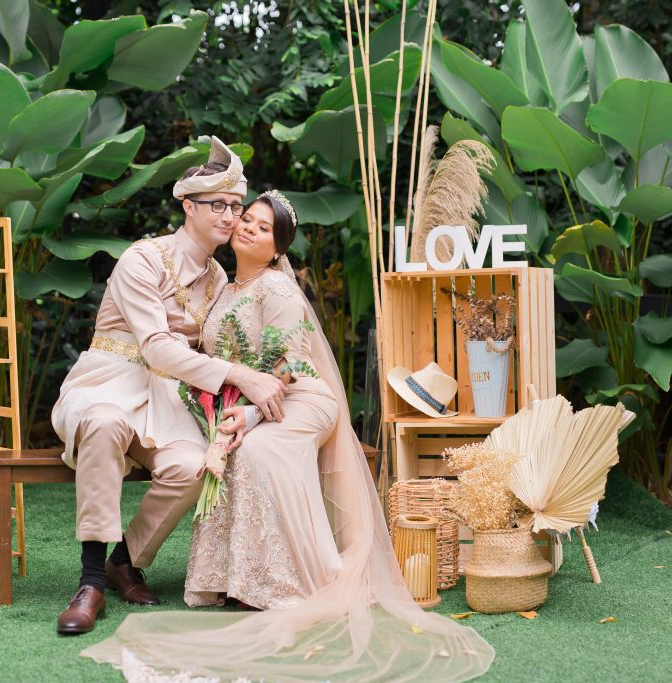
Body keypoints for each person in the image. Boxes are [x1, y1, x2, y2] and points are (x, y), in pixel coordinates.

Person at [81, 191, 495, 681]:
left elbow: (291, 365)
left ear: (278, 249)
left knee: (255, 451)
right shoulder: (222, 287)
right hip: (250, 403)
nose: (248, 228)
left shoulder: (276, 288)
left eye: (264, 228)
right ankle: (236, 578)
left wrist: (252, 415)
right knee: (228, 452)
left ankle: (287, 581)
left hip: (298, 399)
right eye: (247, 219)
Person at [50, 138, 287, 636]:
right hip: (108, 382)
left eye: (235, 206)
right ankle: (91, 581)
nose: (230, 216)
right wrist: (241, 375)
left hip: (166, 398)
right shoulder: (143, 258)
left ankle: (124, 561)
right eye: (217, 205)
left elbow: (217, 347)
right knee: (104, 422)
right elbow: (157, 348)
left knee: (195, 466)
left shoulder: (219, 275)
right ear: (188, 206)